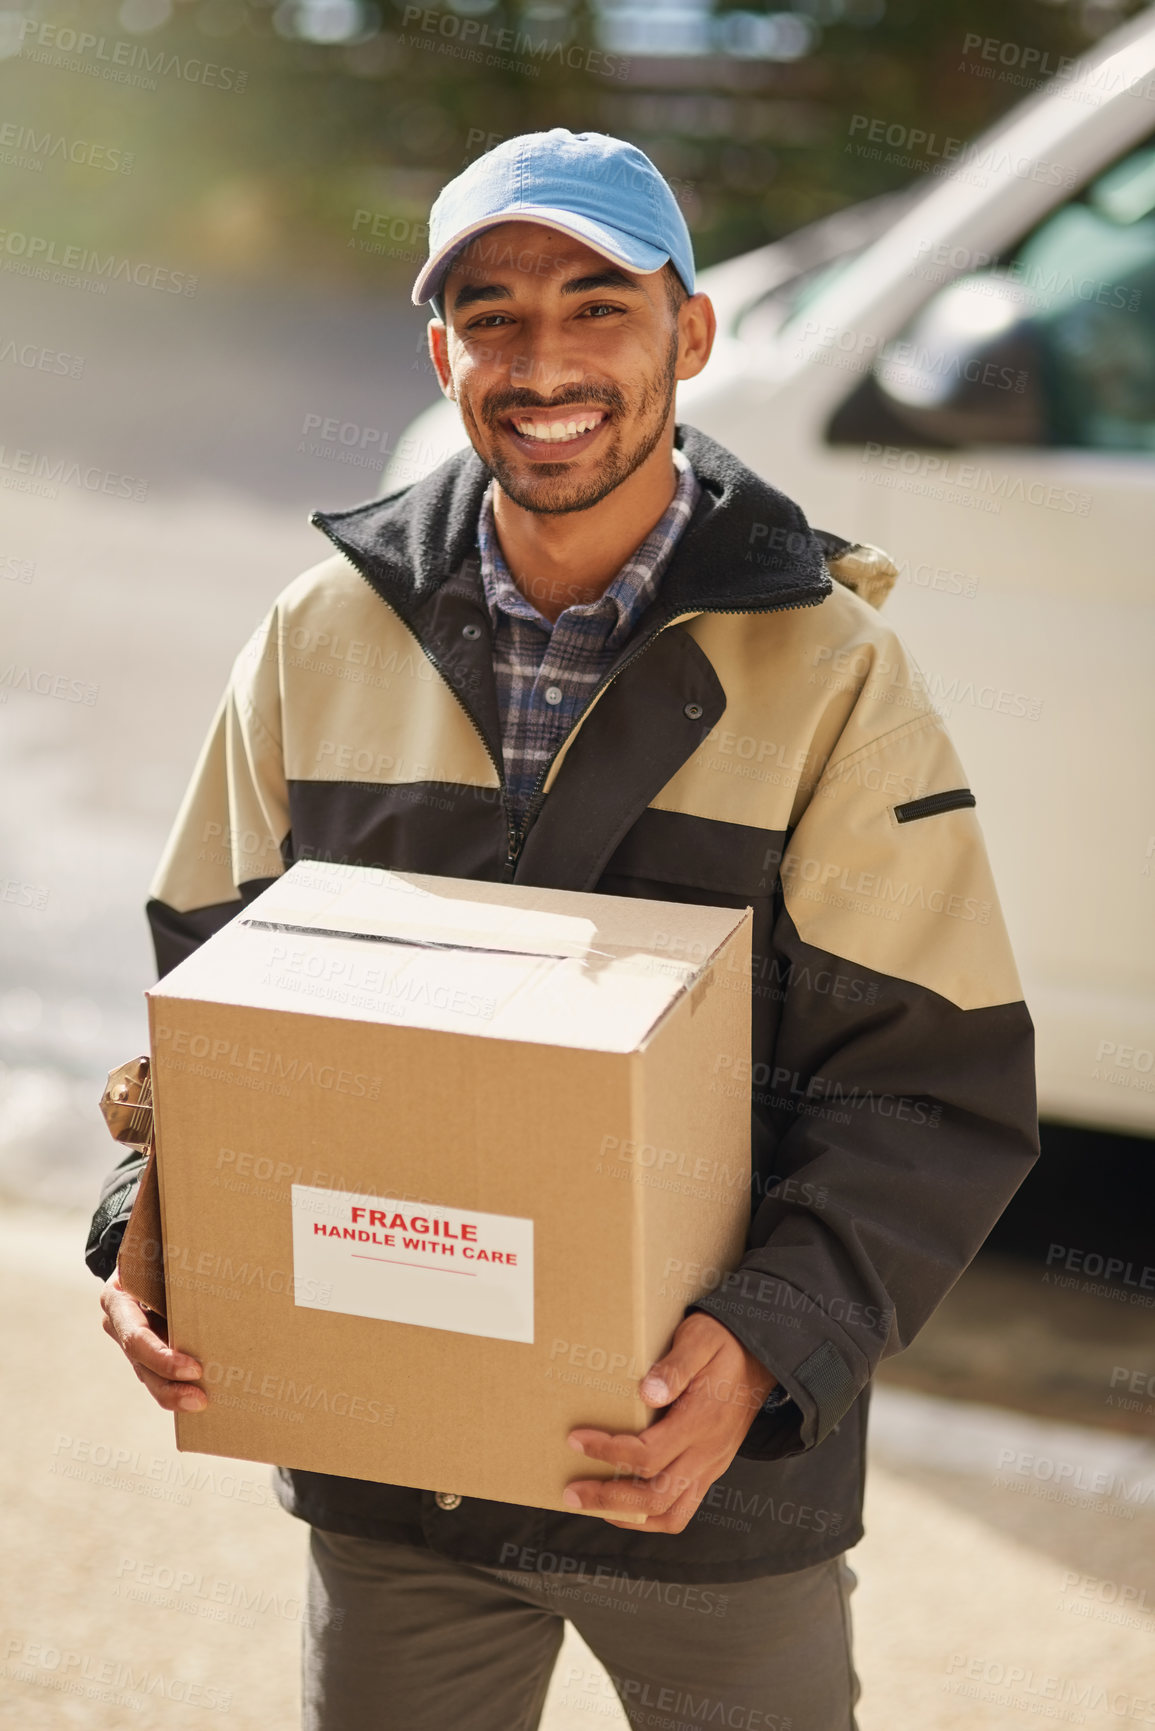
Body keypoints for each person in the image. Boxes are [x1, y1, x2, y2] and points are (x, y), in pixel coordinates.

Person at [86, 128, 1039, 1731]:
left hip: (708, 1494)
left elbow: (930, 1091)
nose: (546, 363)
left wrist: (758, 1354)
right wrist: (148, 1228)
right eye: (495, 313)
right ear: (442, 348)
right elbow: (211, 1008)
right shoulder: (319, 637)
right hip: (392, 1483)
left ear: (692, 333)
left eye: (599, 306)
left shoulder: (834, 676)